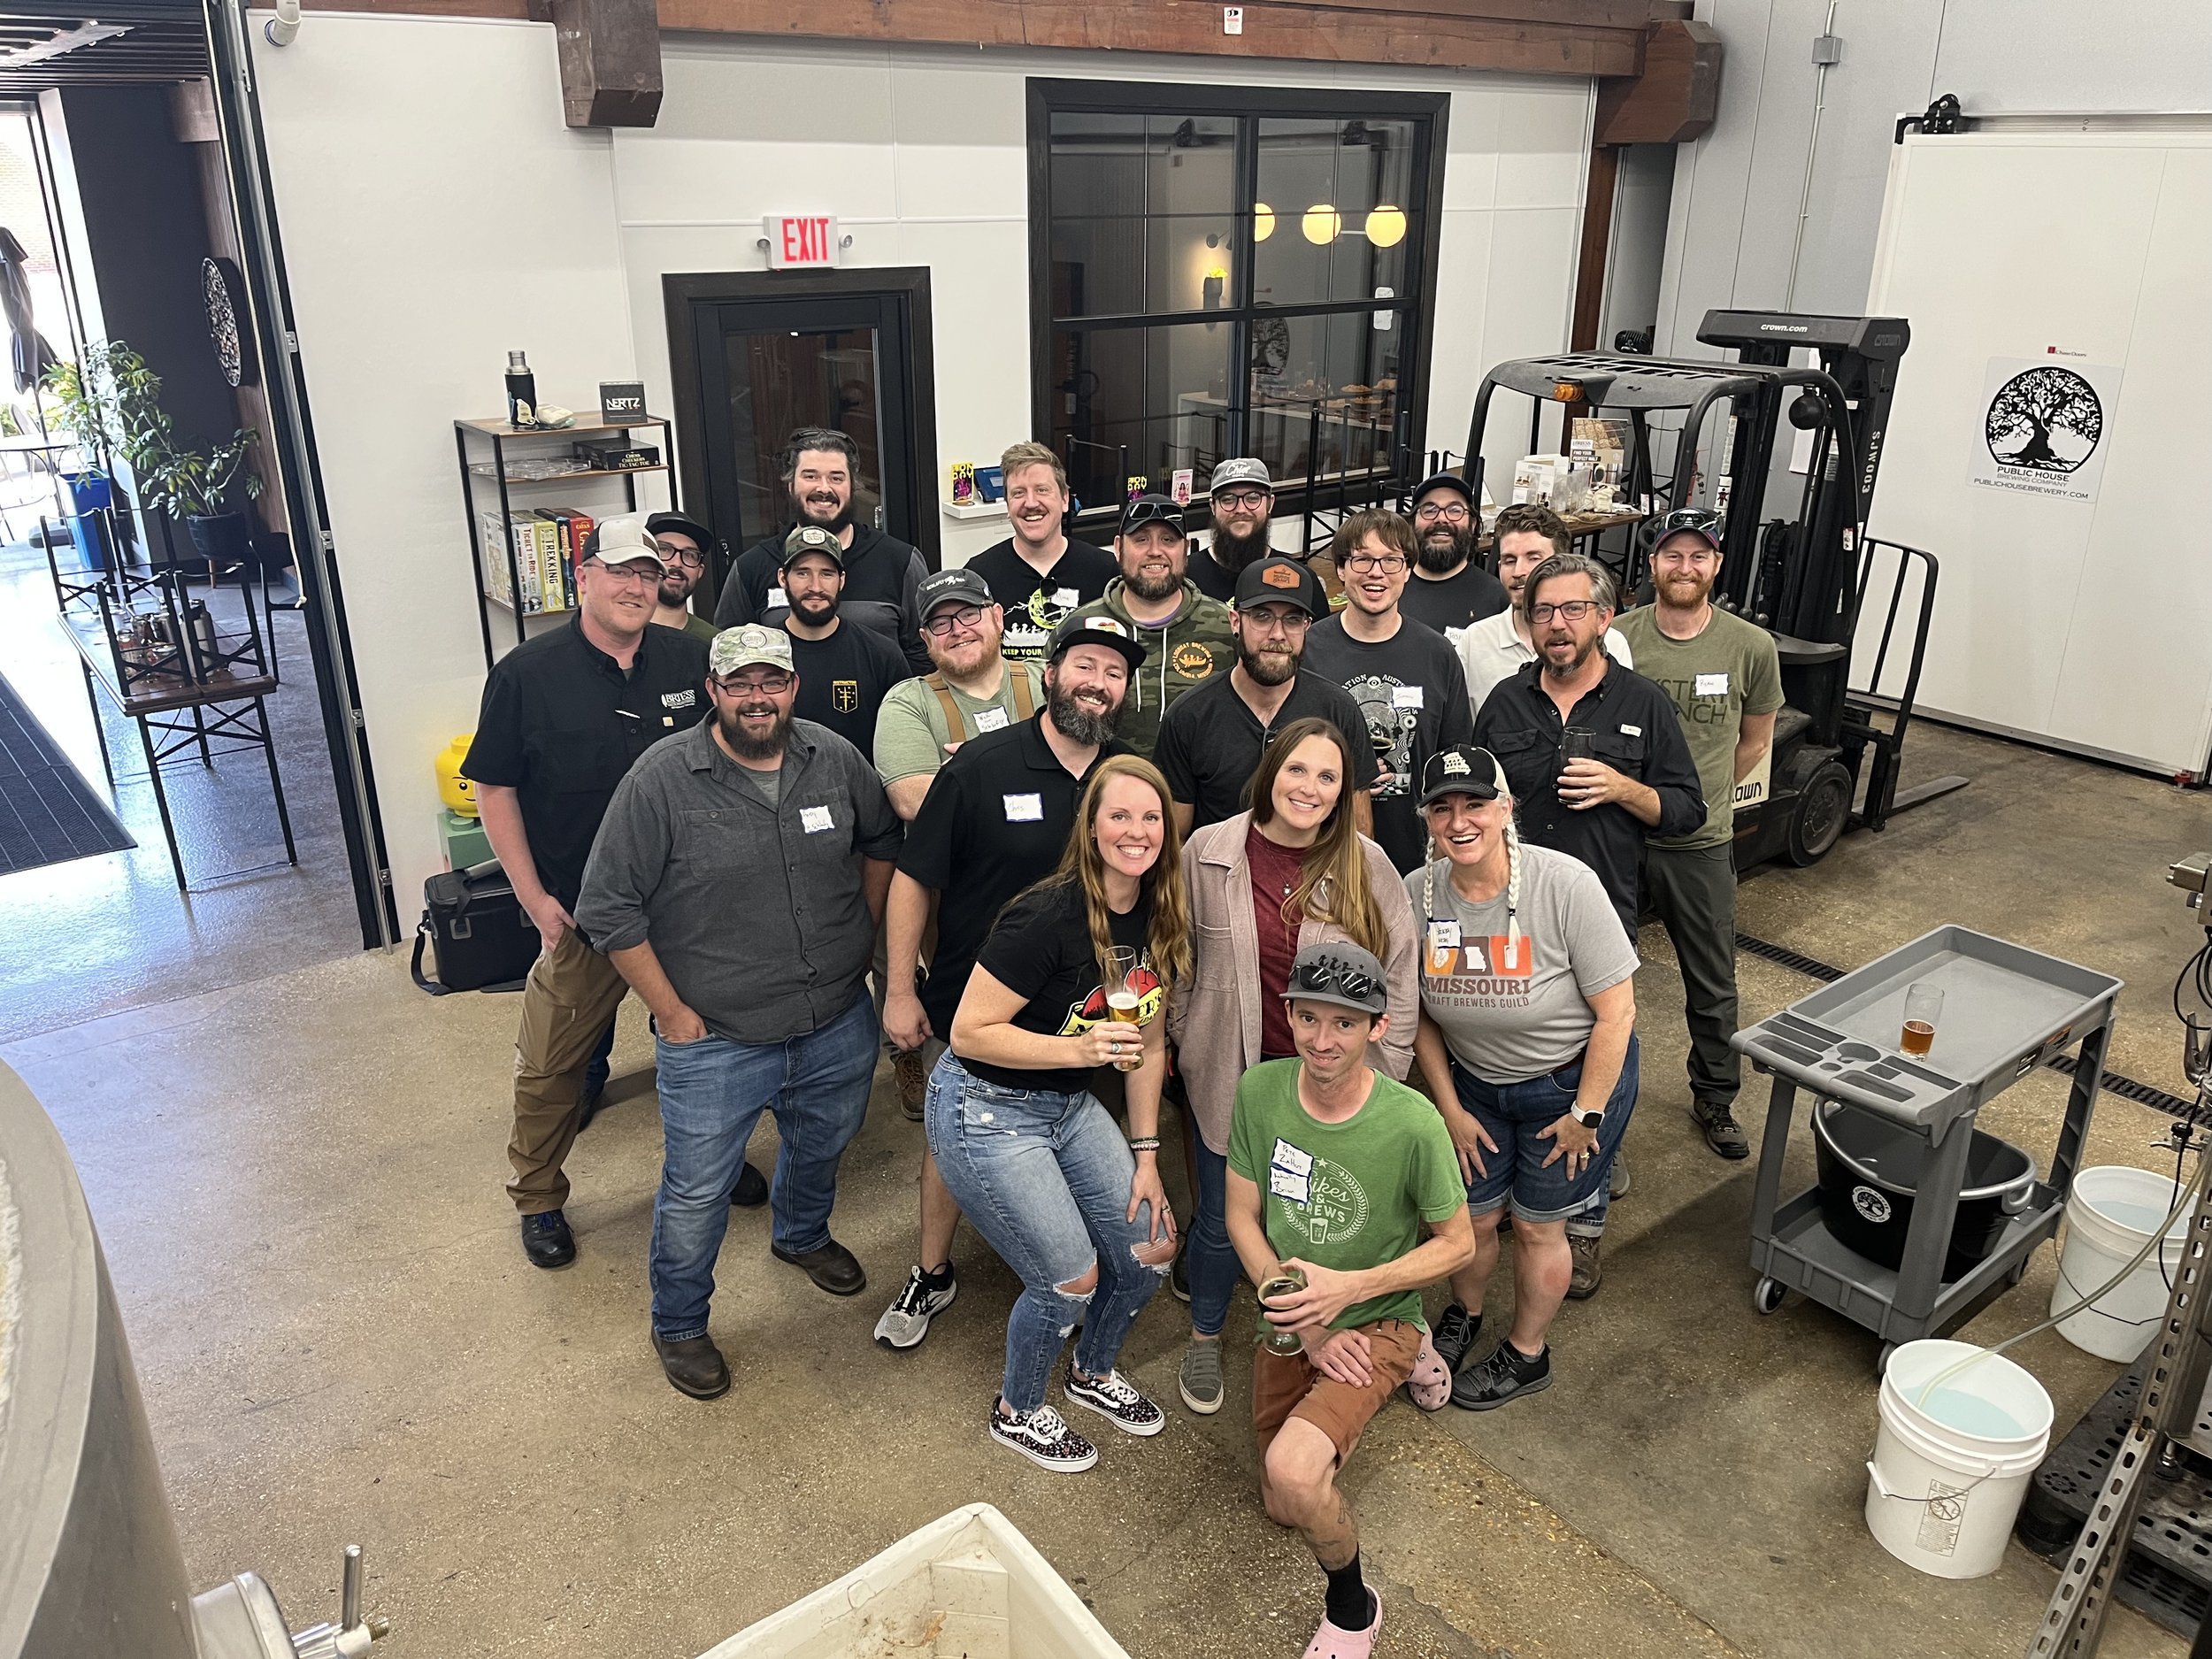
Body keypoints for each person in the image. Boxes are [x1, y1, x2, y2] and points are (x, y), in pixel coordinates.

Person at [574, 625, 902, 1397]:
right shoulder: (662, 778)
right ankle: (680, 1322)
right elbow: (606, 905)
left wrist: (862, 927)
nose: (759, 697)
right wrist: (671, 1013)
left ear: (794, 686)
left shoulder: (833, 756)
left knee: (823, 1141)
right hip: (714, 1034)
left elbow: (884, 838)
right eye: (740, 683)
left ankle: (801, 1234)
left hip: (832, 1016)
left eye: (773, 681)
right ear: (714, 692)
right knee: (695, 1190)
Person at [872, 612, 1143, 1351]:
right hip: (975, 1009)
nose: (1098, 683)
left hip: (1088, 1019)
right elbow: (913, 880)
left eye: (1115, 672)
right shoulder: (981, 766)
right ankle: (932, 1269)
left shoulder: (1125, 781)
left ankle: (1075, 1264)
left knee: (1086, 1135)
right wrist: (899, 989)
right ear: (1049, 674)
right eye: (1084, 665)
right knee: (948, 1140)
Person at [461, 515, 718, 1270]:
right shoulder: (526, 674)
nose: (638, 585)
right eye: (621, 571)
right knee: (551, 1066)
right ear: (584, 576)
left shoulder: (692, 659)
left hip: (690, 903)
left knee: (710, 1047)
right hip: (584, 910)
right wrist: (534, 897)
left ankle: (715, 1160)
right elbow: (495, 787)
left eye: (650, 572)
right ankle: (539, 1198)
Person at [929, 756, 1189, 1470]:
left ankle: (1092, 1369)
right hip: (986, 1107)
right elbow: (969, 1032)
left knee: (1151, 1249)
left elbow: (1152, 1042)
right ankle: (1018, 1408)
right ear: (1091, 826)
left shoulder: (1159, 913)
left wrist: (1146, 1155)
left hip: (1065, 1107)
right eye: (1119, 815)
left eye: (1150, 817)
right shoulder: (1046, 914)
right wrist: (1080, 1054)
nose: (1136, 831)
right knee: (1068, 1276)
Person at [1226, 941, 1472, 1658]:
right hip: (1295, 1318)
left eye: (1344, 1022)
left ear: (1379, 1027)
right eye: (1309, 1018)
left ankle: (1353, 1606)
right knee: (1283, 1505)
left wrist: (1350, 1291)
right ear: (1289, 1015)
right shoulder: (1260, 1091)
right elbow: (1242, 1216)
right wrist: (1306, 1323)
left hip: (1377, 1314)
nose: (1322, 1040)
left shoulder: (1413, 1121)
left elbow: (1457, 1243)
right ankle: (1366, 1388)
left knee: (1295, 1474)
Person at [1169, 718, 1419, 1418]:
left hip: (1335, 1082)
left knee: (1329, 1212)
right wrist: (1188, 1037)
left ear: (1344, 791)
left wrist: (1387, 1064)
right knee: (1221, 1220)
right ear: (1270, 770)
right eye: (1297, 770)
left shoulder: (1368, 865)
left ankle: (1348, 1328)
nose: (1309, 788)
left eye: (1328, 776)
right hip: (1233, 1074)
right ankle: (1205, 1333)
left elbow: (1400, 969)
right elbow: (1178, 956)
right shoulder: (1208, 851)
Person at [1470, 550, 1701, 1294]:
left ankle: (1585, 1218)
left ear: (1604, 617)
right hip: (1510, 923)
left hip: (1599, 924)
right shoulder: (1504, 703)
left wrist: (1624, 786)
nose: (1558, 624)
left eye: (1574, 609)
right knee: (1521, 1057)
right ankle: (1526, 1197)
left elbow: (1686, 810)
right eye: (1544, 611)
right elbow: (1474, 803)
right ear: (1527, 622)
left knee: (1594, 1065)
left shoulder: (1643, 704)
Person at [1405, 745, 1638, 1410]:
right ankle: (1466, 1313)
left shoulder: (1564, 884)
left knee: (1538, 1227)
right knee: (1472, 1221)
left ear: (1505, 808)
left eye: (1476, 803)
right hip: (1475, 1085)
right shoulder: (1415, 894)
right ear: (1427, 820)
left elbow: (1617, 1010)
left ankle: (1527, 1352)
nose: (1459, 820)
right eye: (1442, 807)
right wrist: (1447, 1106)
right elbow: (1419, 1012)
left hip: (1566, 1089)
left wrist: (1586, 1114)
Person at [1612, 509, 1782, 1161]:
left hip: (1702, 843)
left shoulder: (1749, 647)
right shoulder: (1620, 637)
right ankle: (1599, 1103)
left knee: (1712, 982)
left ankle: (1715, 1093)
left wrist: (1697, 798)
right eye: (1671, 555)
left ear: (1716, 565)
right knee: (1601, 980)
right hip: (1621, 838)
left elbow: (1757, 739)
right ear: (1652, 563)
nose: (1685, 567)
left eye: (1698, 556)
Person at [872, 566, 1047, 1115]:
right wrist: (1036, 781)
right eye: (940, 623)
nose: (957, 629)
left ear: (998, 618)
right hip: (959, 909)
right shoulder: (906, 702)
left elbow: (1092, 775)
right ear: (925, 641)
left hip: (1056, 890)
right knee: (964, 1044)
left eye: (968, 613)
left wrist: (964, 775)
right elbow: (912, 800)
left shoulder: (1046, 679)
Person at [1302, 507, 1476, 875]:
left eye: (1391, 560)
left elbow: (1455, 761)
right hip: (1321, 849)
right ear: (1341, 569)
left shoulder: (1438, 655)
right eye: (1362, 560)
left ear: (1409, 569)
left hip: (1416, 854)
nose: (1376, 573)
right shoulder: (1307, 650)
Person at [1154, 557, 1379, 836]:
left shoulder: (1337, 710)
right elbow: (1174, 842)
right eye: (1262, 616)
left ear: (1307, 627)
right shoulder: (1189, 717)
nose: (1278, 634)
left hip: (1317, 877)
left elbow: (1360, 833)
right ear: (1235, 622)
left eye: (1293, 620)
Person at [714, 426, 931, 673]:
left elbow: (923, 653)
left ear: (852, 488)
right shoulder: (751, 567)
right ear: (790, 486)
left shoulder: (900, 561)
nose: (824, 488)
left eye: (836, 478)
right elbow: (727, 660)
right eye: (811, 476)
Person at [1064, 495, 1234, 758]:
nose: (1155, 551)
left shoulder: (1226, 626)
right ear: (1119, 547)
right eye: (1141, 539)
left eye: (1168, 540)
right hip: (1106, 791)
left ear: (1186, 549)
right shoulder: (1080, 629)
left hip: (1199, 793)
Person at [1457, 503, 1632, 714]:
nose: (1519, 571)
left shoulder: (1610, 642)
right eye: (1509, 560)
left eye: (1534, 558)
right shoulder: (1475, 641)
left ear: (1562, 563)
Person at [964, 442, 1117, 663]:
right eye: (1018, 493)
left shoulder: (1104, 570)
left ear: (1065, 499)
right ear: (1007, 505)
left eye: (1042, 490)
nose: (1031, 502)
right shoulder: (979, 576)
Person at [766, 524, 910, 760]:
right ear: (783, 578)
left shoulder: (881, 655)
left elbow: (904, 741)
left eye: (827, 573)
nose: (815, 587)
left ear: (841, 580)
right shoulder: (763, 657)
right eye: (803, 573)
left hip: (860, 792)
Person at [1396, 472, 1509, 641]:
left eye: (1454, 510)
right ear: (1412, 523)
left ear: (1473, 525)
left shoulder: (1495, 597)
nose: (1441, 519)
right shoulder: (1390, 588)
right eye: (1430, 510)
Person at [1189, 457, 1277, 603]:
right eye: (1228, 499)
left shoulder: (1294, 576)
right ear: (1213, 506)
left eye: (1253, 498)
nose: (1241, 509)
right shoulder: (1185, 578)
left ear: (1270, 503)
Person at [644, 511, 722, 642]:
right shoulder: (619, 636)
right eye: (664, 549)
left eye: (690, 555)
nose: (677, 563)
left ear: (700, 571)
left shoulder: (715, 644)